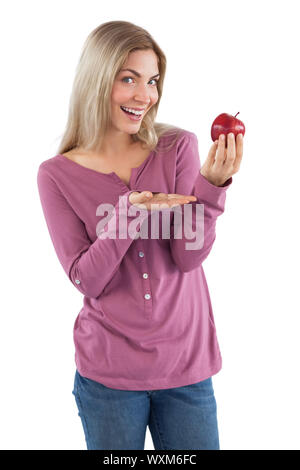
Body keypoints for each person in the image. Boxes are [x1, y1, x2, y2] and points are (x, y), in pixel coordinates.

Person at [37, 20, 244, 450]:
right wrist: (127, 215)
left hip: (187, 368)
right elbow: (86, 279)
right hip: (108, 376)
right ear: (97, 80)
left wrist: (210, 188)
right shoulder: (56, 175)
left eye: (152, 81)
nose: (145, 96)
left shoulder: (179, 147)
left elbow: (188, 259)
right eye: (128, 79)